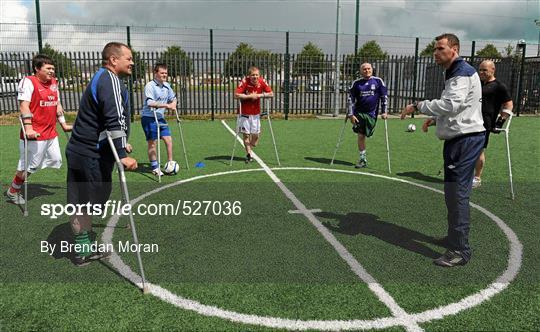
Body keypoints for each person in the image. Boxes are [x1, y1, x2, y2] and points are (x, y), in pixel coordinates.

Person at [401, 33, 485, 267]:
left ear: (454, 49)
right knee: (452, 194)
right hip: (461, 138)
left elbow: (451, 104)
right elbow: (461, 107)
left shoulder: (461, 71)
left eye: (439, 49)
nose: (435, 53)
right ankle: (454, 239)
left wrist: (419, 106)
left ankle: (459, 250)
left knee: (457, 194)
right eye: (434, 49)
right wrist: (436, 120)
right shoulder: (456, 71)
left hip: (464, 141)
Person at [65, 42, 137, 266]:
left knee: (81, 201)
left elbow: (102, 120)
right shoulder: (110, 80)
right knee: (89, 202)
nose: (132, 62)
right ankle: (82, 250)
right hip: (91, 155)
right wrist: (122, 154)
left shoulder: (100, 78)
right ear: (113, 60)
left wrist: (122, 143)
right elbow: (113, 116)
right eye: (129, 58)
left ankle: (82, 250)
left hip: (80, 150)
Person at [6, 54, 72, 205]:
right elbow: (24, 105)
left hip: (50, 132)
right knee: (30, 165)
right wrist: (28, 128)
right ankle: (13, 190)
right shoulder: (28, 82)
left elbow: (57, 104)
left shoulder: (54, 82)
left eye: (53, 68)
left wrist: (63, 124)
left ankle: (31, 168)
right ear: (37, 68)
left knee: (56, 159)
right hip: (35, 133)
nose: (52, 71)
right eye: (48, 68)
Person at [473, 60, 513, 188]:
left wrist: (500, 122)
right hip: (471, 120)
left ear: (492, 70)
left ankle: (477, 178)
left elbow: (509, 105)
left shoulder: (499, 86)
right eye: (480, 70)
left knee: (479, 150)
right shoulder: (477, 84)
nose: (482, 72)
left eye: (485, 70)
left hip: (485, 123)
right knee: (466, 148)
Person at [348, 62, 388, 168]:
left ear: (372, 69)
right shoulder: (356, 84)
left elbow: (384, 97)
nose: (367, 71)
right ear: (361, 71)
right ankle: (363, 159)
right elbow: (351, 100)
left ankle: (363, 157)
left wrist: (384, 111)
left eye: (369, 68)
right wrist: (351, 114)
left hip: (372, 115)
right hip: (359, 113)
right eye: (364, 69)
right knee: (361, 135)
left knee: (367, 134)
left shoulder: (378, 81)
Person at [140, 63, 177, 176]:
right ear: (156, 73)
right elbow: (150, 103)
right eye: (162, 73)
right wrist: (166, 105)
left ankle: (170, 162)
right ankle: (155, 168)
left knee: (168, 139)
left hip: (160, 118)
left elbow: (173, 98)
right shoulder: (150, 86)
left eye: (166, 73)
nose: (164, 75)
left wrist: (174, 104)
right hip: (149, 118)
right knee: (152, 143)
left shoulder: (167, 85)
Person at [234, 66, 274, 163]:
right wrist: (249, 96)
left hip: (256, 113)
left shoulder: (262, 81)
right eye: (253, 75)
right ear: (249, 76)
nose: (255, 77)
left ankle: (250, 148)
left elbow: (271, 93)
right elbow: (236, 95)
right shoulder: (244, 81)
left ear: (259, 75)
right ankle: (248, 154)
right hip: (244, 113)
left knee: (255, 136)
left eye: (256, 75)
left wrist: (259, 95)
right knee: (246, 135)